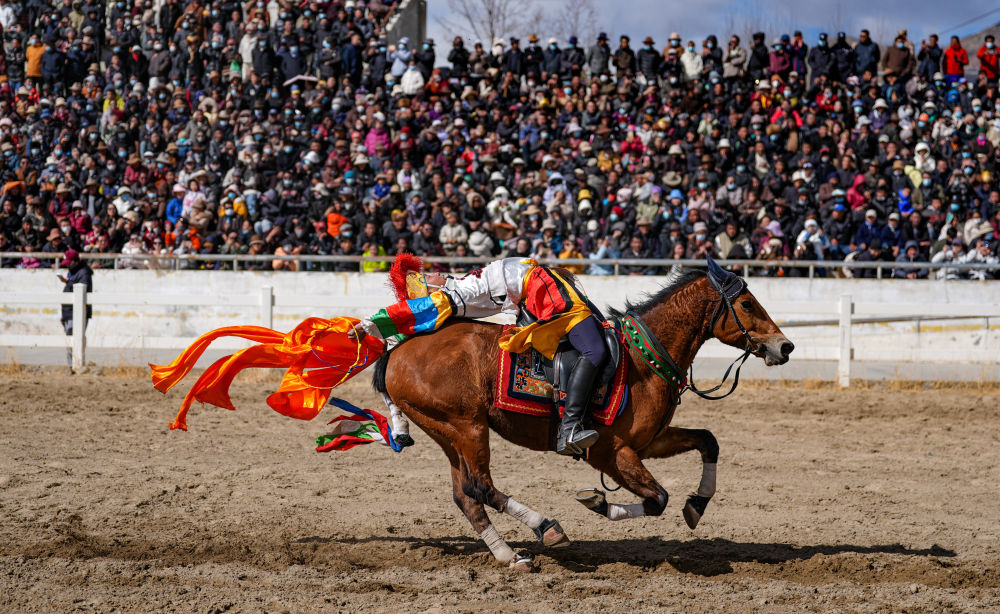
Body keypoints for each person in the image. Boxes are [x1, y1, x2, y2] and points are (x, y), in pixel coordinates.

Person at [350, 256, 605, 456]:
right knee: (595, 347)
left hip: (538, 287)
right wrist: (370, 324)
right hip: (542, 285)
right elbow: (413, 310)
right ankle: (570, 427)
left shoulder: (461, 286)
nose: (434, 273)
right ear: (432, 291)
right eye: (428, 278)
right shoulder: (453, 295)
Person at [57, 249, 93, 366]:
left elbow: (83, 288)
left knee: (74, 339)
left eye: (69, 262)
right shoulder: (74, 271)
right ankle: (74, 364)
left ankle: (75, 364)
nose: (67, 265)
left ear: (75, 261)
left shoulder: (83, 272)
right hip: (69, 311)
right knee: (71, 339)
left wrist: (68, 282)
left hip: (75, 312)